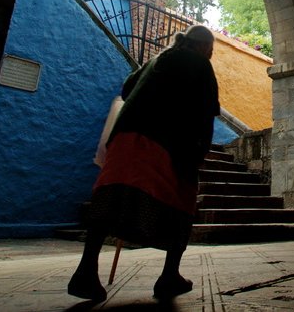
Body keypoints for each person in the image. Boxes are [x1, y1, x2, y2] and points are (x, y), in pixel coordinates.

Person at [68, 25, 220, 302]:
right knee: (182, 202)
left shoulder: (155, 60)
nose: (210, 55)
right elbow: (207, 110)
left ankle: (85, 270)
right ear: (203, 47)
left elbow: (127, 89)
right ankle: (168, 275)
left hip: (125, 137)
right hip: (167, 141)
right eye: (211, 50)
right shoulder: (200, 64)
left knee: (109, 197)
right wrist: (200, 150)